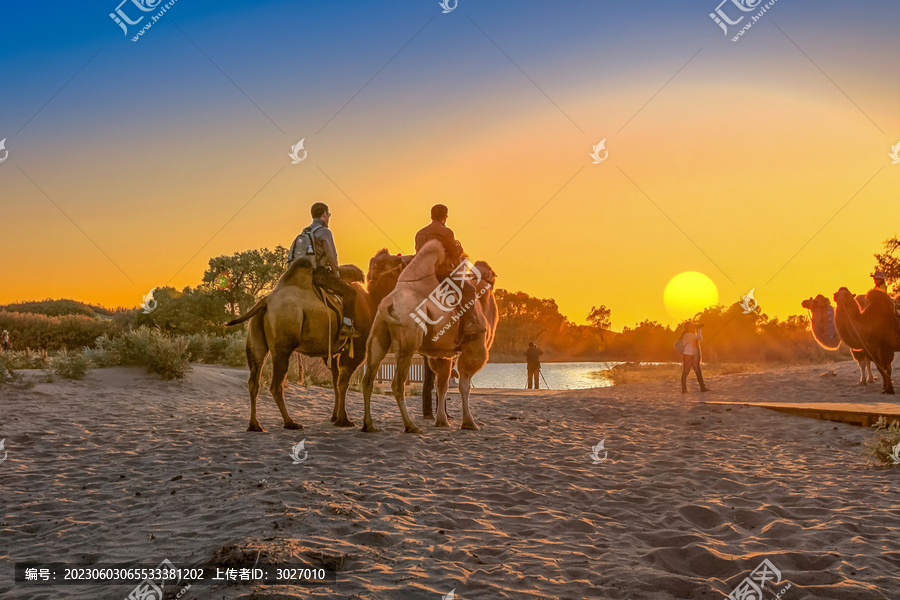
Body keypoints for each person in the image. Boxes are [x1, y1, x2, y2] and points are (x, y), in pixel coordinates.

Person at [414, 204, 485, 344]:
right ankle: (470, 324)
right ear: (445, 217)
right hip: (441, 275)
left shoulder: (420, 233)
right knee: (469, 290)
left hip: (422, 277)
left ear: (431, 216)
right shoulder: (446, 233)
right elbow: (455, 253)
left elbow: (418, 253)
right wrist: (458, 247)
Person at [296, 202, 358, 338]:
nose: (328, 217)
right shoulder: (324, 232)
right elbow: (331, 256)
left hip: (303, 276)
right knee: (350, 293)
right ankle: (347, 325)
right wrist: (336, 273)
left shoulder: (304, 232)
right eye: (328, 214)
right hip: (320, 275)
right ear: (324, 214)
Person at [680, 323, 709, 393]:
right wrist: (699, 329)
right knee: (686, 372)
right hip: (688, 355)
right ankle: (684, 389)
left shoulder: (687, 334)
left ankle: (702, 387)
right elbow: (700, 338)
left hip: (691, 355)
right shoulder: (688, 335)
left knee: (697, 371)